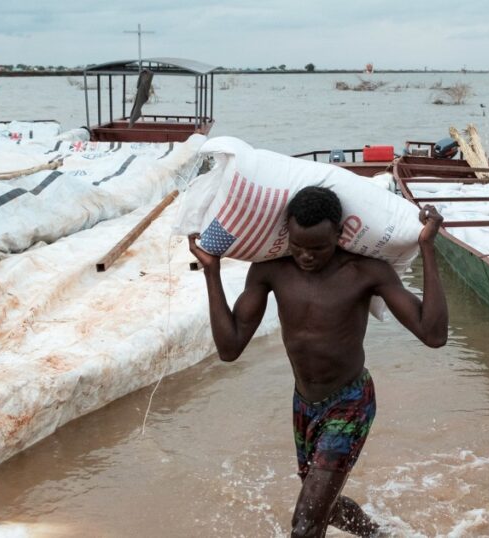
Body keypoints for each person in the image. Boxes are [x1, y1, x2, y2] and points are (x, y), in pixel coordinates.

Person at [189, 186, 448, 538]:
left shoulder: (366, 272)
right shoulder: (271, 271)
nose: (306, 257)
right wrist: (211, 271)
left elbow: (433, 334)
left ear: (340, 235)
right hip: (305, 406)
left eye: (318, 248)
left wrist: (428, 247)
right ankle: (378, 535)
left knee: (305, 524)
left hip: (350, 403)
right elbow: (229, 347)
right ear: (287, 236)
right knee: (326, 506)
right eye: (298, 247)